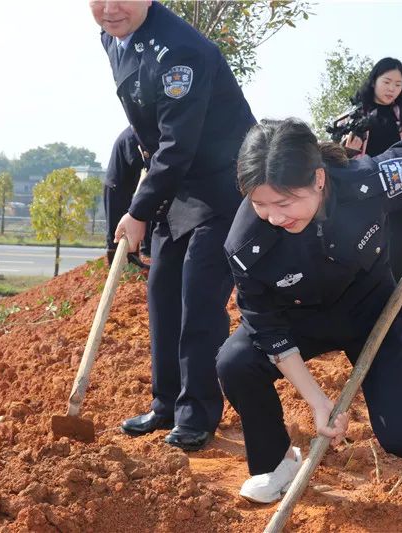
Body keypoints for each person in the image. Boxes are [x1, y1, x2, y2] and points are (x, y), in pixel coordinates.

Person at [216, 117, 402, 507]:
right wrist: (317, 401)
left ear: (319, 180)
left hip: (371, 311)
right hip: (299, 319)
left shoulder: (373, 181)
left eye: (284, 203)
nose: (273, 216)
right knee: (235, 362)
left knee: (399, 431)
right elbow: (266, 326)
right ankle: (277, 463)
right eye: (259, 204)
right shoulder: (245, 245)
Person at [89, 0, 256, 451]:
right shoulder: (112, 36)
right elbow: (150, 126)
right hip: (177, 184)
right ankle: (166, 405)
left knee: (198, 301)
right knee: (162, 293)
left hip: (224, 185)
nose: (109, 8)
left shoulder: (183, 52)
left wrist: (138, 210)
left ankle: (197, 414)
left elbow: (177, 144)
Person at [344, 57, 402, 332]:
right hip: (362, 199)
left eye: (398, 84)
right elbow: (342, 158)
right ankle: (359, 316)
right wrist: (350, 146)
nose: (392, 89)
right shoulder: (356, 114)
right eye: (387, 82)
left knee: (395, 257)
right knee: (362, 257)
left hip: (396, 199)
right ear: (374, 81)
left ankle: (397, 316)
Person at [103, 126, 151, 269]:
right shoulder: (133, 136)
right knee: (117, 228)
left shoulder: (139, 132)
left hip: (131, 185)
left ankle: (137, 258)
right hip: (116, 186)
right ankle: (117, 265)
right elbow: (139, 163)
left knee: (139, 218)